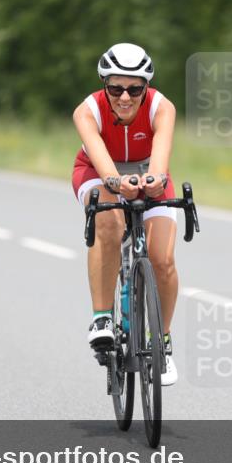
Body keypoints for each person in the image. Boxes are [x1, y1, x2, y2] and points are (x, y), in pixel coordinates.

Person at [71, 43, 179, 385]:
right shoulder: (87, 111)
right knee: (110, 223)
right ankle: (102, 317)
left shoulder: (163, 108)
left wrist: (153, 181)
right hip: (98, 172)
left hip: (148, 172)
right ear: (105, 85)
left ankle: (161, 341)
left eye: (135, 89)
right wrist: (118, 183)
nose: (125, 97)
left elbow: (160, 165)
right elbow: (103, 165)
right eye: (116, 88)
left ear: (146, 87)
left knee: (162, 260)